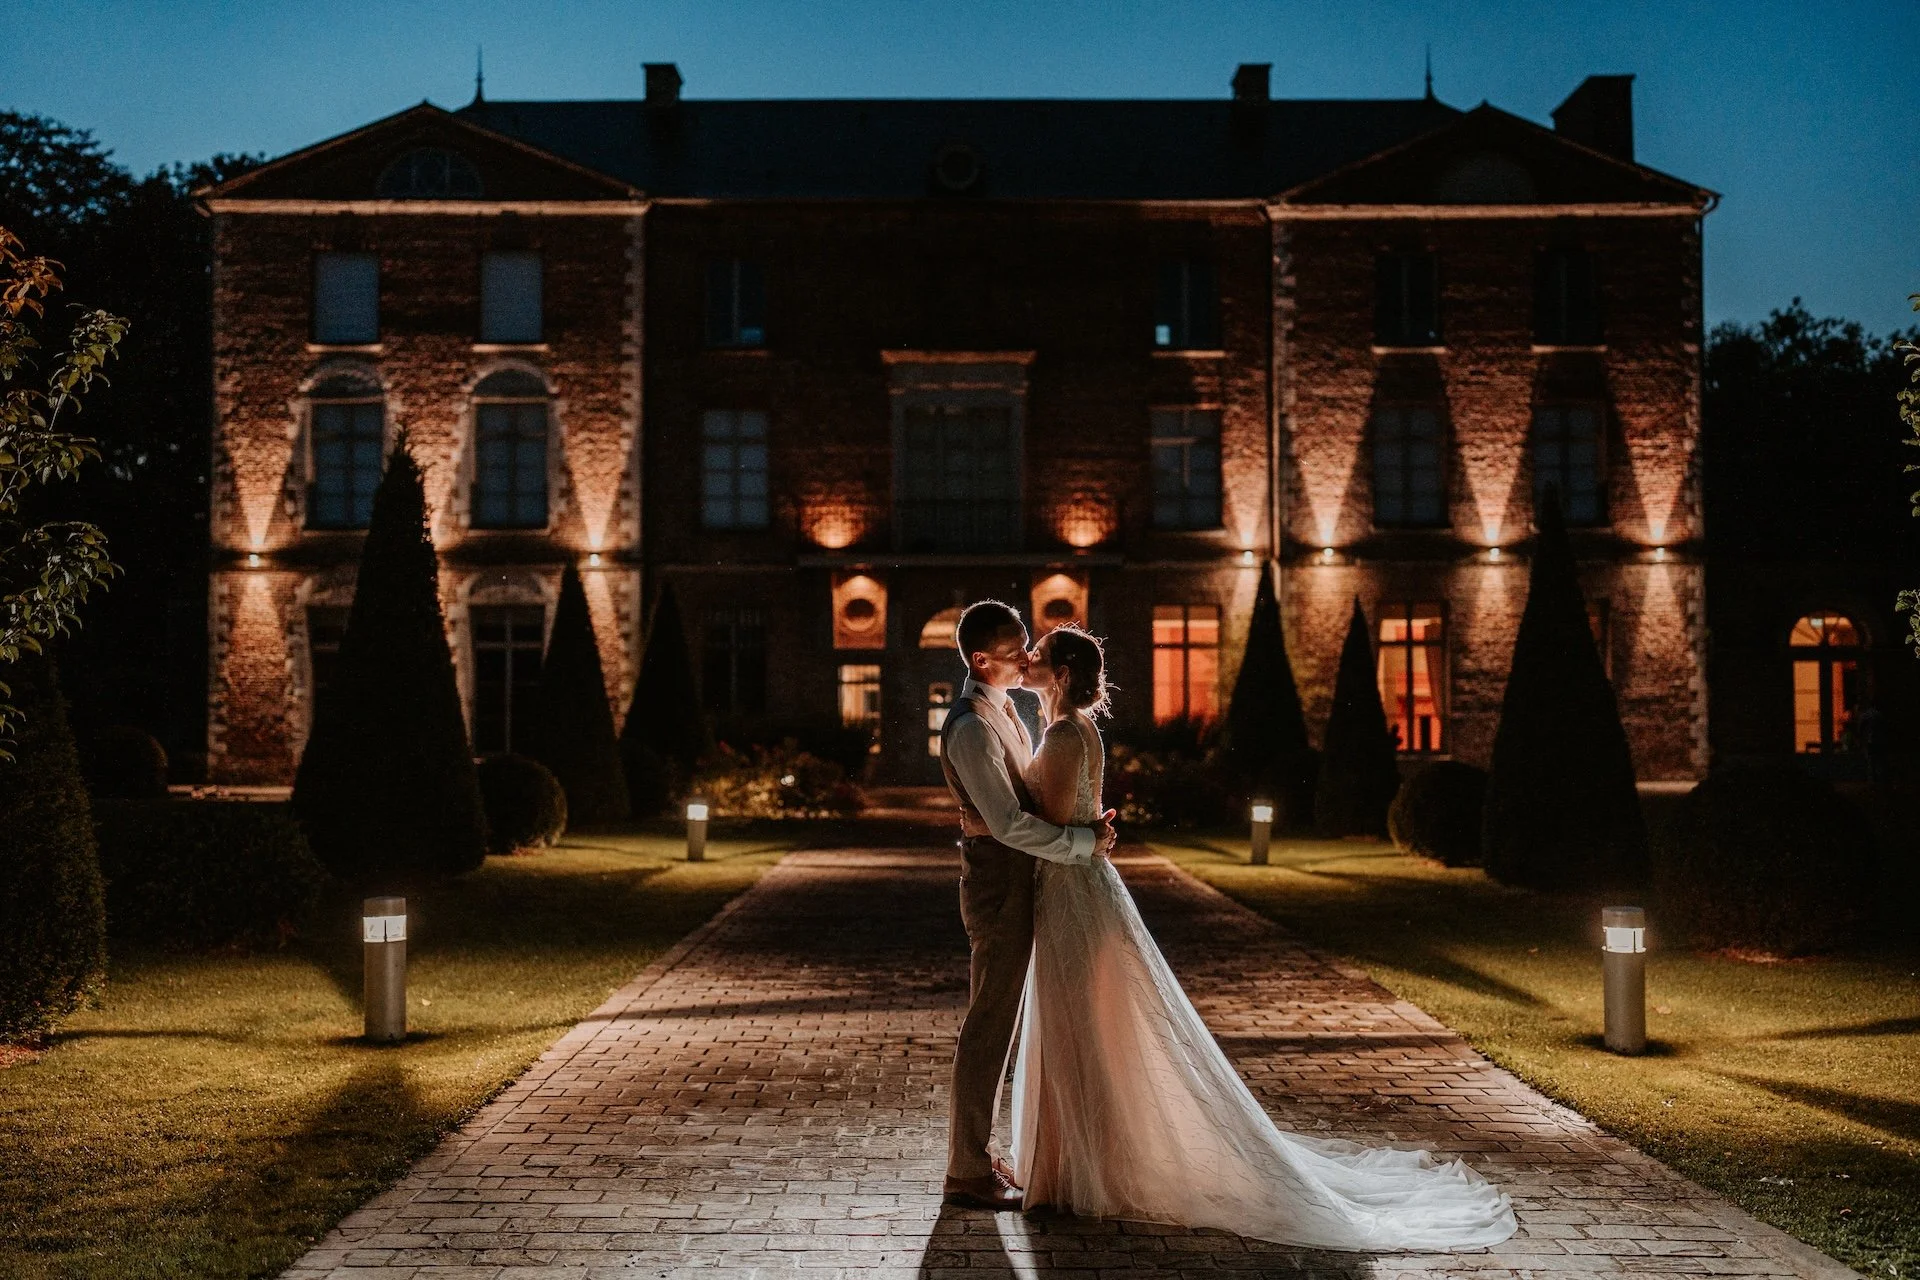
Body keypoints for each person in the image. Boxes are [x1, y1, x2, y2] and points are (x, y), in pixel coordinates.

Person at [1007, 624, 1517, 1251]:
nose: (1026, 660)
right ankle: (1066, 1162)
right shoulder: (1077, 731)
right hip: (1082, 888)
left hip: (1071, 894)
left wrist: (1001, 806)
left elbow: (1051, 821)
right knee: (1086, 1027)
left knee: (1076, 1026)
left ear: (1060, 674)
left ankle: (1069, 1169)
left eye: (1039, 655)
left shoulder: (1062, 735)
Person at [937, 600, 1118, 1211]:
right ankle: (965, 1169)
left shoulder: (1005, 709)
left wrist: (1083, 822)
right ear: (984, 660)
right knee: (990, 1020)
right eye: (1018, 652)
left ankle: (979, 1155)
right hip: (997, 886)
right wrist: (1082, 841)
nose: (1028, 659)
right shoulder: (969, 726)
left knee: (1007, 1018)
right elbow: (1009, 823)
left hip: (1029, 881)